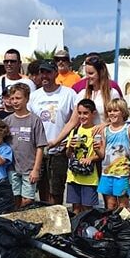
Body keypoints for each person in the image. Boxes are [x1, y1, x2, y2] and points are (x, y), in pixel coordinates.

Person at [29, 60, 78, 205]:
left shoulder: (69, 94)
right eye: (42, 72)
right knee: (41, 189)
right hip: (38, 151)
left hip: (59, 150)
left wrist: (57, 140)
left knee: (56, 191)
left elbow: (73, 120)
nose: (44, 76)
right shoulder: (34, 96)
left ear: (56, 73)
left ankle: (57, 220)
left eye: (48, 72)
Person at [4, 84, 46, 208]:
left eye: (18, 98)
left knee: (27, 200)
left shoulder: (35, 120)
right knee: (14, 198)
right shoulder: (7, 121)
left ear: (27, 99)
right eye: (12, 99)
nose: (15, 102)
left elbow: (40, 146)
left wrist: (36, 169)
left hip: (29, 168)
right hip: (12, 168)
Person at [98, 98, 130, 210]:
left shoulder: (129, 129)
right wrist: (96, 149)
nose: (112, 113)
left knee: (123, 205)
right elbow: (102, 154)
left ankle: (124, 226)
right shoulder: (105, 130)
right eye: (110, 111)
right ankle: (111, 225)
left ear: (123, 112)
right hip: (107, 172)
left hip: (122, 173)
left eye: (115, 110)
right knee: (110, 205)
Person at [65, 99, 102, 213]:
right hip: (73, 176)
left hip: (89, 178)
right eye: (80, 113)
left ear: (93, 113)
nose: (82, 116)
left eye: (85, 113)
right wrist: (70, 147)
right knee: (75, 208)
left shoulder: (97, 131)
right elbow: (68, 154)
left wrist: (91, 158)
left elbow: (101, 155)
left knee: (87, 208)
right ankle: (77, 229)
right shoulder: (75, 131)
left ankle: (87, 229)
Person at [0, 49, 35, 116]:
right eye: (6, 61)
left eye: (12, 61)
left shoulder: (28, 83)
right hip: (0, 122)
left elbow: (31, 105)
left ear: (19, 63)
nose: (9, 64)